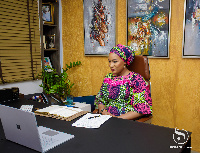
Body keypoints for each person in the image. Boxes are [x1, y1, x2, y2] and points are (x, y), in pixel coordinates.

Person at [95, 44, 152, 120]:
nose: (111, 65)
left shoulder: (136, 79)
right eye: (109, 61)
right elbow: (100, 99)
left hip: (125, 121)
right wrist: (103, 111)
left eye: (115, 61)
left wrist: (117, 119)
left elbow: (141, 109)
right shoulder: (108, 78)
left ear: (125, 61)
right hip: (105, 119)